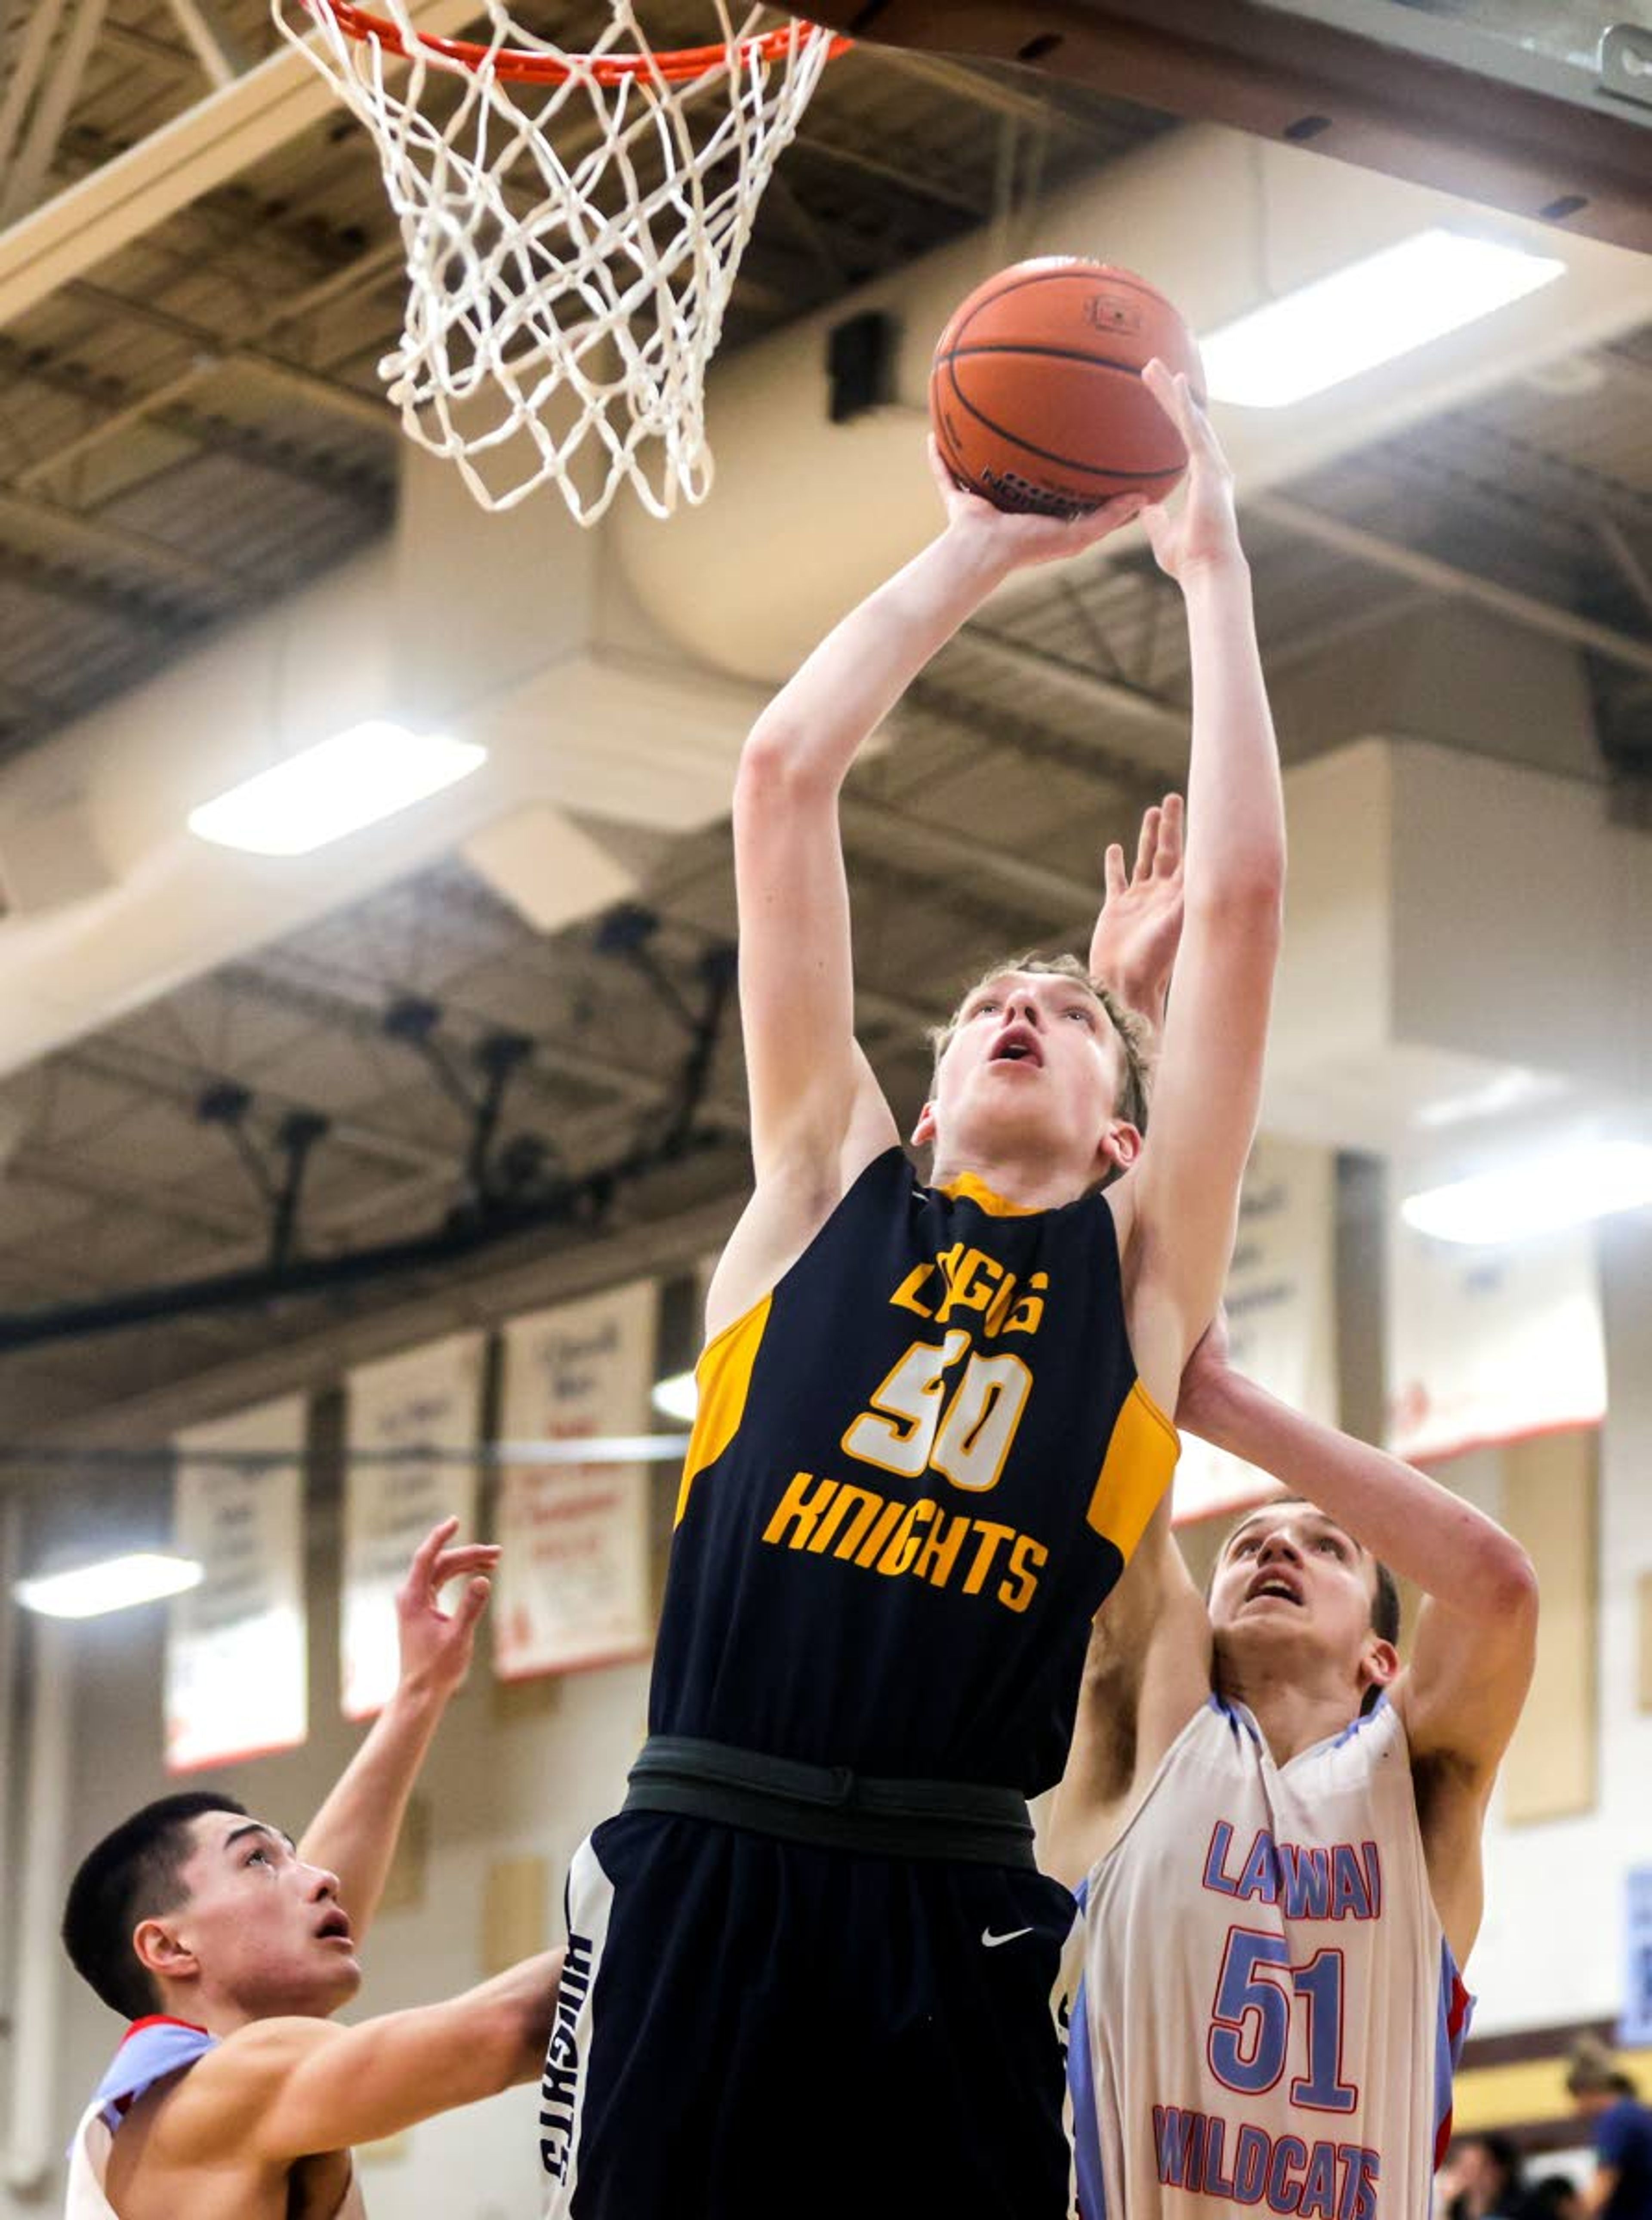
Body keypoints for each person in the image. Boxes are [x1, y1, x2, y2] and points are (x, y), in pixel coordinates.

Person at [542, 359, 1286, 2220]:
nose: (1013, 1009)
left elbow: (1253, 906)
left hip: (949, 1878)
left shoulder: (1130, 1267)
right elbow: (782, 777)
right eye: (980, 1007)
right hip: (709, 1835)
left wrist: (1210, 573)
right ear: (931, 1084)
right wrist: (973, 544)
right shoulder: (819, 1188)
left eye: (1058, 1009)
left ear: (1127, 1128)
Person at [1047, 1318, 1539, 2219]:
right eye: (1245, 1546)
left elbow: (1498, 1587)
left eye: (1328, 1546)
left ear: (1381, 1660)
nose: (1276, 1550)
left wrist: (1227, 1405)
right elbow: (1117, 1412)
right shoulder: (1153, 1728)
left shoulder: (1417, 1781)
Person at [62, 1519, 562, 2220]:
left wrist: (420, 1691)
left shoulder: (175, 2092)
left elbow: (320, 1891)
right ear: (169, 1947)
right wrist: (685, 1887)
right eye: (258, 1861)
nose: (318, 1879)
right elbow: (511, 2030)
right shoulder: (229, 2082)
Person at [1567, 2037, 1652, 2218]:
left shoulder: (1614, 2122)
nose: (1576, 2111)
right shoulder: (1638, 2113)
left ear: (1587, 2091)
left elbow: (1601, 2187)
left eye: (1576, 2099)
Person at [1440, 2131, 1532, 2218]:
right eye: (1462, 2165)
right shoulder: (1455, 2209)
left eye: (1476, 2167)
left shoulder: (1523, 2210)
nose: (1466, 2175)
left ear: (1499, 2171)